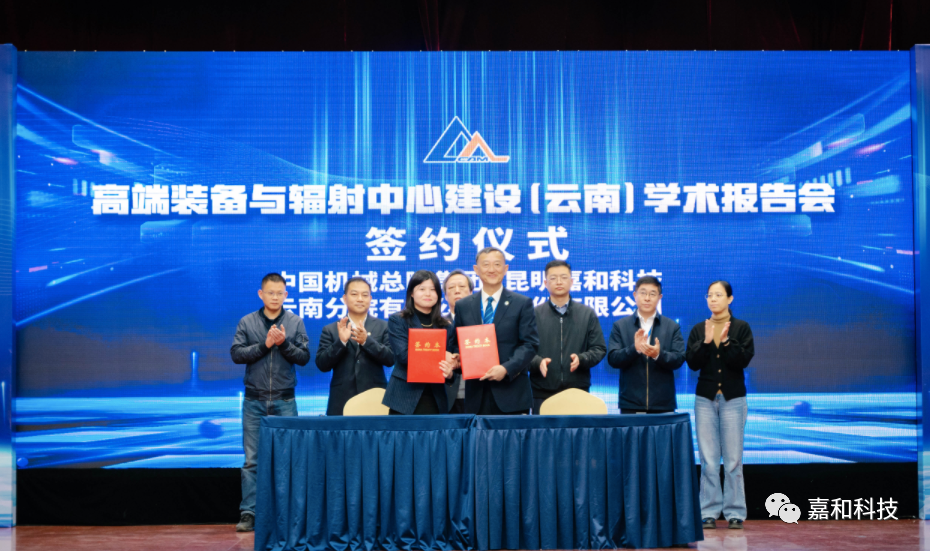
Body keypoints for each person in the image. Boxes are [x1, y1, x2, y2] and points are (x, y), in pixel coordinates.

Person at [230, 272, 310, 532]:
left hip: (285, 400)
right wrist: (265, 345)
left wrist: (283, 344)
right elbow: (236, 354)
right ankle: (249, 512)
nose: (275, 297)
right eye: (270, 293)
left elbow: (304, 357)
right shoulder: (247, 321)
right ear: (261, 294)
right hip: (254, 401)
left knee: (289, 458)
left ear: (286, 295)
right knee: (252, 460)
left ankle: (287, 514)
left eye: (280, 293)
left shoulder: (295, 322)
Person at [686, 280, 755, 530]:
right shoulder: (699, 329)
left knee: (734, 459)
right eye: (710, 295)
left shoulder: (741, 328)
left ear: (730, 299)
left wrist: (726, 342)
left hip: (733, 398)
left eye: (718, 295)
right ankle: (708, 511)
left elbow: (742, 360)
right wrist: (706, 342)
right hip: (705, 399)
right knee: (709, 460)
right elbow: (692, 363)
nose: (713, 299)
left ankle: (735, 512)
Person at [451, 247, 539, 415]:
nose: (491, 269)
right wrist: (457, 357)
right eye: (486, 265)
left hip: (512, 393)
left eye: (497, 264)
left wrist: (506, 369)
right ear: (476, 270)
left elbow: (530, 344)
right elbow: (457, 343)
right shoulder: (463, 306)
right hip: (476, 394)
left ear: (505, 269)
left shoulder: (522, 303)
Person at [529, 260, 606, 413]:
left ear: (571, 281)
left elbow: (599, 348)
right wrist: (537, 362)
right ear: (545, 283)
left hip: (578, 392)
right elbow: (523, 349)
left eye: (564, 277)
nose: (559, 282)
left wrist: (582, 359)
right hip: (542, 392)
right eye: (553, 278)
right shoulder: (533, 315)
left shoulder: (587, 314)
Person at [315, 277, 395, 416]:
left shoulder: (384, 326)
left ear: (370, 298)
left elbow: (391, 359)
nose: (360, 299)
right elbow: (322, 364)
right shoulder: (331, 329)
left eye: (365, 295)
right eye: (354, 294)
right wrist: (341, 342)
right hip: (341, 399)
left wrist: (366, 341)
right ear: (345, 298)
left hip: (375, 399)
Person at [606, 275, 685, 413]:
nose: (647, 298)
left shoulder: (671, 327)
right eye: (643, 293)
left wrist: (658, 355)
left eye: (652, 294)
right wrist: (634, 349)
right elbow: (613, 359)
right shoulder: (620, 326)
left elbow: (679, 359)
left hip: (663, 404)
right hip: (631, 404)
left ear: (659, 297)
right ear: (635, 295)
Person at [382, 270, 457, 414]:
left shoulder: (446, 326)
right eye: (422, 289)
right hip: (404, 396)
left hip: (436, 397)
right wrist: (441, 355)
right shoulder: (398, 320)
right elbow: (404, 356)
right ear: (411, 293)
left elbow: (452, 361)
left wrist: (450, 373)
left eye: (433, 290)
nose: (428, 294)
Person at [443, 269, 474, 413]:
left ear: (471, 292)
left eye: (462, 287)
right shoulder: (438, 324)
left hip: (478, 392)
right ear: (445, 295)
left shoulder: (483, 322)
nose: (457, 291)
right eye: (451, 288)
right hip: (447, 395)